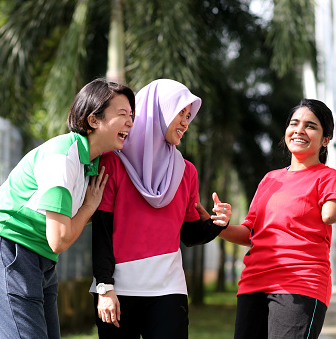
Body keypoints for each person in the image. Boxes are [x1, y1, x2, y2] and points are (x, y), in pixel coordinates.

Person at [0, 78, 136, 339]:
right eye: (122, 114)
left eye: (132, 116)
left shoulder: (90, 164)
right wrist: (89, 206)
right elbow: (59, 238)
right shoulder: (62, 157)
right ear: (93, 120)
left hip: (41, 262)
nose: (130, 123)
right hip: (6, 251)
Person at [89, 78, 232, 339]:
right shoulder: (112, 163)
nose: (186, 123)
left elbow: (188, 235)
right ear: (158, 110)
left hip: (169, 290)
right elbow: (102, 231)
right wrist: (104, 287)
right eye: (180, 113)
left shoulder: (186, 172)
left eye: (189, 116)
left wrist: (217, 223)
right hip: (119, 290)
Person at [220, 99, 336, 339]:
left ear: (325, 140)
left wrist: (330, 205)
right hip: (254, 282)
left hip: (300, 284)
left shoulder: (329, 178)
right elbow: (250, 233)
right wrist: (218, 226)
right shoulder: (270, 179)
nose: (299, 130)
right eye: (294, 123)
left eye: (310, 126)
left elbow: (331, 215)